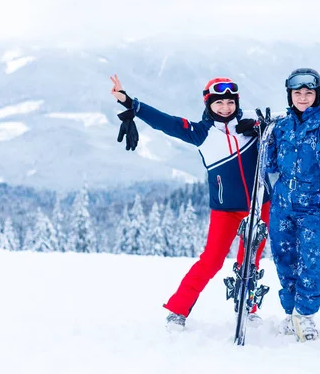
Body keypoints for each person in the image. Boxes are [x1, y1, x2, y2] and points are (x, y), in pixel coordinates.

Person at [109, 74, 272, 332]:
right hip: (225, 210)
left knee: (249, 261)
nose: (225, 107)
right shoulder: (201, 133)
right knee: (211, 261)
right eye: (219, 103)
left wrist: (260, 126)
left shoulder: (252, 123)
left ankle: (247, 309)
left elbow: (284, 125)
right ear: (209, 104)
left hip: (259, 206)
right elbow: (167, 123)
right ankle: (178, 310)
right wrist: (131, 103)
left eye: (230, 102)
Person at [263, 68, 320, 342]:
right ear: (290, 95)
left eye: (308, 93)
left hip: (313, 204)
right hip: (282, 204)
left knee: (314, 261)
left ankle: (305, 314)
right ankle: (291, 313)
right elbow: (270, 164)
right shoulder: (281, 126)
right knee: (284, 260)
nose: (302, 97)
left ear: (317, 95)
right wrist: (262, 136)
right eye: (297, 92)